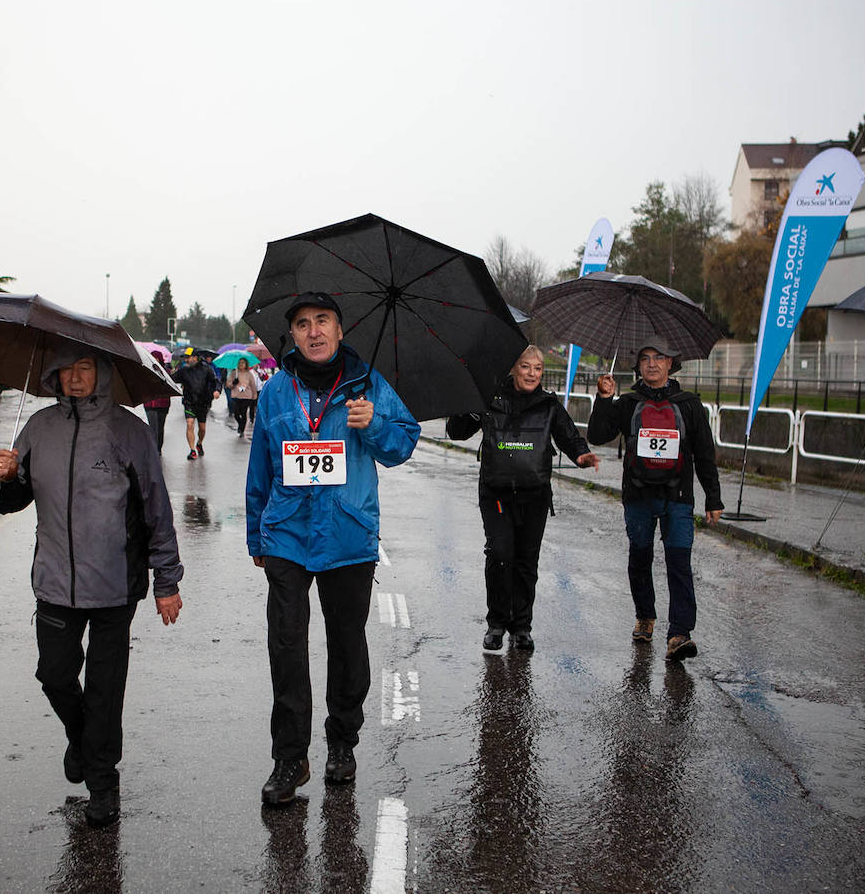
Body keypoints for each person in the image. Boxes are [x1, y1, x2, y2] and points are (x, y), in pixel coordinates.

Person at [0, 348, 184, 828]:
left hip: (117, 584)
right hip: (54, 581)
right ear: (53, 375)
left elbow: (156, 508)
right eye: (66, 370)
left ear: (102, 373)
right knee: (54, 675)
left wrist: (167, 580)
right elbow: (10, 502)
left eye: (85, 369)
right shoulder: (38, 428)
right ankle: (80, 741)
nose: (75, 379)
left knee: (105, 688)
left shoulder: (129, 431)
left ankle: (102, 781)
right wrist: (4, 478)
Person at [245, 292, 420, 805]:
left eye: (323, 321)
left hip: (348, 536)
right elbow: (261, 466)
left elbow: (403, 444)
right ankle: (290, 757)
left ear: (341, 330)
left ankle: (342, 743)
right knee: (287, 648)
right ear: (292, 336)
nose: (314, 331)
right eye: (302, 324)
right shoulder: (277, 391)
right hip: (287, 536)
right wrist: (257, 533)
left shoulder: (370, 386)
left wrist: (377, 424)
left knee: (347, 646)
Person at [445, 345, 600, 653]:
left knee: (526, 561)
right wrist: (472, 406)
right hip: (496, 492)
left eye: (537, 369)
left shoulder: (548, 405)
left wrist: (581, 455)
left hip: (535, 494)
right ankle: (497, 624)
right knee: (501, 554)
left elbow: (569, 436)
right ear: (514, 369)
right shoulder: (490, 399)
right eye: (526, 367)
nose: (532, 374)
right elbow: (456, 432)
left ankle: (522, 628)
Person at [587, 340, 722, 661]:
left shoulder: (689, 405)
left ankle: (679, 633)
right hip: (638, 495)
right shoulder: (629, 402)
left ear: (671, 364)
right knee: (640, 557)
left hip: (678, 496)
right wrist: (604, 399)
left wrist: (713, 498)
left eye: (659, 358)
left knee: (679, 562)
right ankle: (645, 617)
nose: (651, 364)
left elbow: (705, 454)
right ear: (638, 365)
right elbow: (597, 434)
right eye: (645, 358)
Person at [171, 351, 221, 460]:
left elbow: (216, 381)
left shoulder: (207, 369)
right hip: (189, 402)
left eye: (188, 358)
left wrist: (217, 390)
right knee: (190, 423)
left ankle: (199, 443)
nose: (186, 360)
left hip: (203, 402)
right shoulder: (184, 370)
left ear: (195, 358)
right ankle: (192, 450)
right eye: (185, 358)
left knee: (202, 428)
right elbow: (171, 379)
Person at [142, 356, 173, 453]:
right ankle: (153, 449)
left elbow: (170, 386)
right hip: (149, 403)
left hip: (163, 404)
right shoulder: (145, 370)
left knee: (160, 427)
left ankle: (158, 448)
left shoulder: (166, 372)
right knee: (153, 427)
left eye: (157, 358)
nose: (155, 360)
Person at [229, 357, 261, 437]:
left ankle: (242, 429)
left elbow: (253, 385)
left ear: (246, 364)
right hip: (236, 395)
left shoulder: (249, 374)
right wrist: (233, 383)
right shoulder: (234, 373)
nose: (241, 364)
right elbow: (228, 384)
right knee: (236, 413)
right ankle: (240, 424)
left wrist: (254, 395)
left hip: (246, 396)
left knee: (243, 412)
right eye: (239, 363)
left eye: (243, 363)